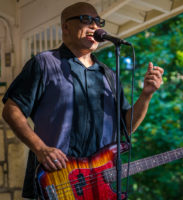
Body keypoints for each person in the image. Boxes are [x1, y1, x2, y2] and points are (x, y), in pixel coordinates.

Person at [2, 2, 164, 199]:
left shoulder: (108, 75)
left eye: (98, 21)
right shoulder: (44, 63)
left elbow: (126, 128)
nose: (95, 25)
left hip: (99, 185)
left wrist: (146, 94)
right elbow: (12, 109)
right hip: (55, 181)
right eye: (86, 19)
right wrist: (40, 148)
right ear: (65, 27)